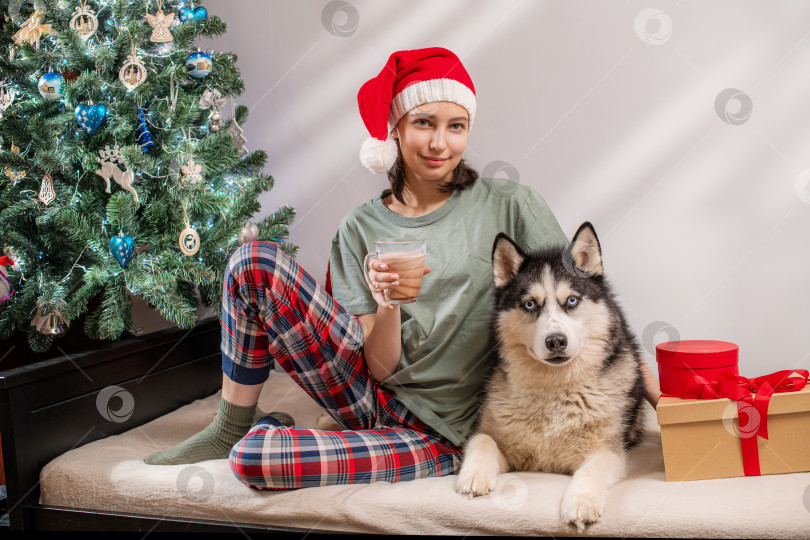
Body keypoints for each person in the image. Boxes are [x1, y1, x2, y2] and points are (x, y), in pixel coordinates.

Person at [144, 47, 662, 490]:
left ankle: (266, 436)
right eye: (424, 124)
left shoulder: (510, 205)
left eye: (455, 127)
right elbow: (380, 368)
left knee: (256, 464)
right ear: (395, 128)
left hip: (440, 432)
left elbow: (581, 305)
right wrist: (388, 303)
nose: (441, 144)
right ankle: (232, 421)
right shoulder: (358, 228)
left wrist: (666, 398)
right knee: (253, 261)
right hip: (367, 391)